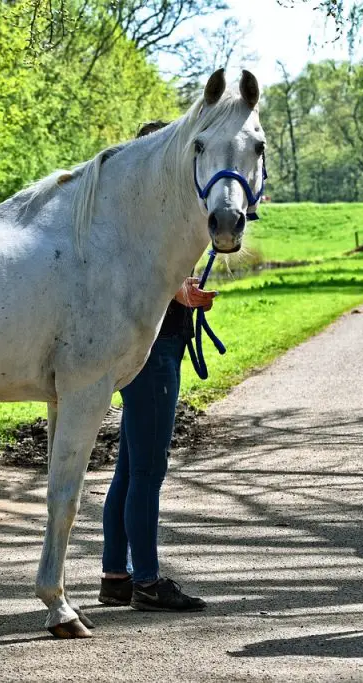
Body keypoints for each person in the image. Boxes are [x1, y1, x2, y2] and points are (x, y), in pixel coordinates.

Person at [99, 120, 216, 612]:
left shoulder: (130, 213)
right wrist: (181, 292)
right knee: (148, 470)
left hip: (144, 345)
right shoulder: (147, 218)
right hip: (155, 349)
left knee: (129, 470)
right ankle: (146, 582)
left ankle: (115, 576)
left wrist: (181, 289)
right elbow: (148, 272)